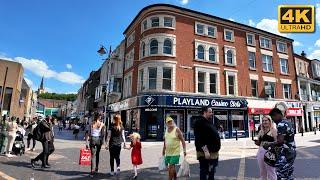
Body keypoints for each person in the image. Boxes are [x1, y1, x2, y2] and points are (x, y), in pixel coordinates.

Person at [265, 108, 296, 180]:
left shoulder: (281, 124)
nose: (274, 121)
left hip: (285, 153)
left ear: (277, 115)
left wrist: (269, 144)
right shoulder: (288, 122)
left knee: (281, 175)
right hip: (291, 151)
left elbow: (280, 141)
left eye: (273, 118)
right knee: (288, 174)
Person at [193, 107, 221, 180]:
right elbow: (199, 139)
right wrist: (205, 151)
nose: (212, 113)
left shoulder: (208, 121)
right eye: (210, 112)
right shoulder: (199, 122)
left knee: (211, 171)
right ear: (204, 112)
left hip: (212, 153)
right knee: (205, 171)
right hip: (206, 153)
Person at [162, 116, 187, 180]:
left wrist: (184, 151)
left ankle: (170, 179)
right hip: (168, 152)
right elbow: (165, 141)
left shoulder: (177, 129)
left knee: (171, 166)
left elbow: (183, 141)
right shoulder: (166, 130)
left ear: (173, 122)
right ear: (166, 123)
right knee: (172, 166)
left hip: (175, 152)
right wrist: (163, 150)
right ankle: (175, 177)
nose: (170, 123)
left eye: (171, 121)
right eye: (168, 122)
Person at [253, 115, 277, 180]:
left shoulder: (273, 131)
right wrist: (256, 142)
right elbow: (259, 143)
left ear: (270, 121)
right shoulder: (261, 131)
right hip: (260, 152)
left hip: (270, 153)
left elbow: (277, 142)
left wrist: (269, 144)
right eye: (263, 121)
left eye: (266, 120)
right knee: (262, 171)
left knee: (271, 171)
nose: (264, 122)